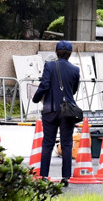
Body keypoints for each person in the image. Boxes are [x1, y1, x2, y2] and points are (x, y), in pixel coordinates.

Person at [32, 40, 80, 187]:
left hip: (50, 109)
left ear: (56, 52)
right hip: (67, 111)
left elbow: (45, 85)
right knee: (66, 144)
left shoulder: (49, 66)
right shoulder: (75, 70)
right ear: (70, 54)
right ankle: (65, 177)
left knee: (47, 143)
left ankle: (44, 175)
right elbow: (74, 89)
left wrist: (36, 98)